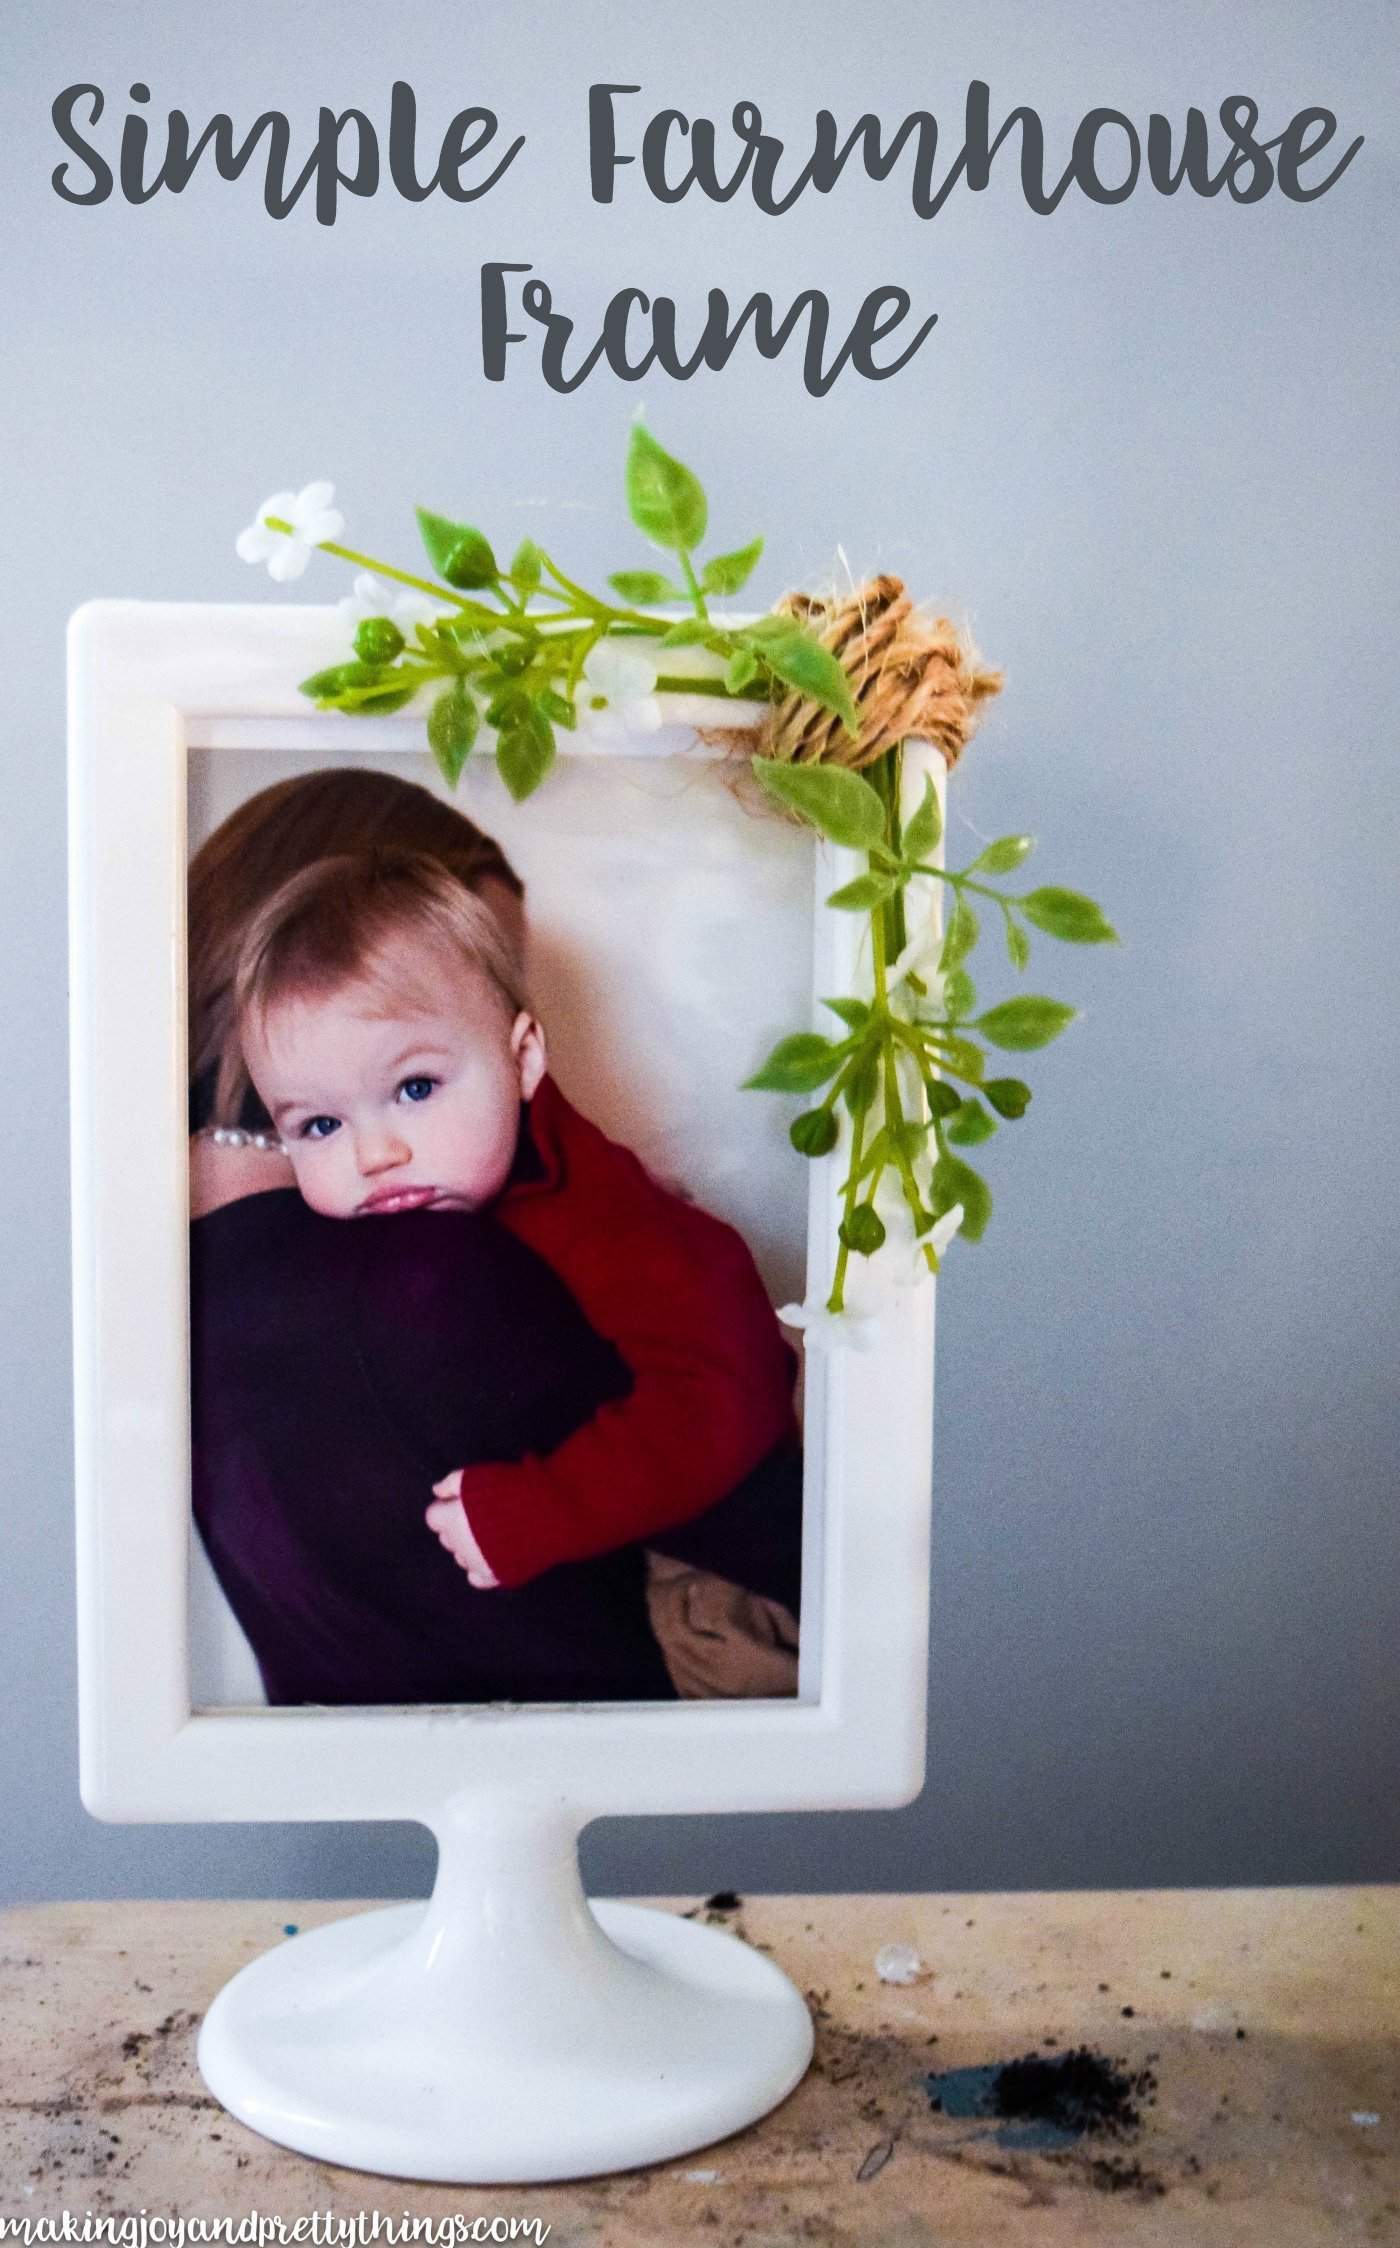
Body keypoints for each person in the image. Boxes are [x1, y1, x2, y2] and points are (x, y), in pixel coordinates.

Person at [188, 767, 802, 1703]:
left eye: (422, 1083)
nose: (382, 1152)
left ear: (520, 1054)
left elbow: (730, 1402)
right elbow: (799, 1545)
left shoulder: (187, 1285)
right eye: (320, 1121)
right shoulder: (428, 1268)